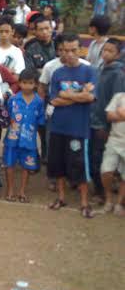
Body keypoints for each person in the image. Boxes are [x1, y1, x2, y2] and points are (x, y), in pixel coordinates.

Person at [47, 34, 98, 218]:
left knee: (79, 166)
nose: (69, 54)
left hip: (79, 129)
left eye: (73, 50)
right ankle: (61, 197)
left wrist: (67, 94)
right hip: (58, 127)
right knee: (58, 164)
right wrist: (80, 95)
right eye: (65, 50)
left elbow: (91, 98)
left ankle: (84, 202)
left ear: (80, 50)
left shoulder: (89, 71)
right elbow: (54, 100)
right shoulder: (57, 73)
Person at [90, 38, 125, 203]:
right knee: (94, 156)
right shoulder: (99, 69)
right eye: (104, 50)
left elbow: (117, 102)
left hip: (104, 123)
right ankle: (100, 188)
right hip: (93, 119)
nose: (105, 53)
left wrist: (108, 125)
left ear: (118, 54)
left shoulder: (118, 74)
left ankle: (103, 191)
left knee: (100, 158)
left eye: (110, 51)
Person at [3, 68, 46, 203]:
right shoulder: (13, 100)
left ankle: (22, 191)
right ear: (19, 83)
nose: (27, 86)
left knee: (26, 166)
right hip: (12, 139)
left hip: (29, 140)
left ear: (36, 84)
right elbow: (7, 117)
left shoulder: (39, 102)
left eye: (31, 83)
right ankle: (10, 190)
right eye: (24, 82)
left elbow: (40, 121)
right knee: (9, 164)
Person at [101, 90, 125, 216]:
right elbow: (109, 116)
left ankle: (119, 204)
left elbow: (115, 115)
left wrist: (120, 113)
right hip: (115, 139)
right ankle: (109, 199)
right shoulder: (119, 96)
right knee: (106, 171)